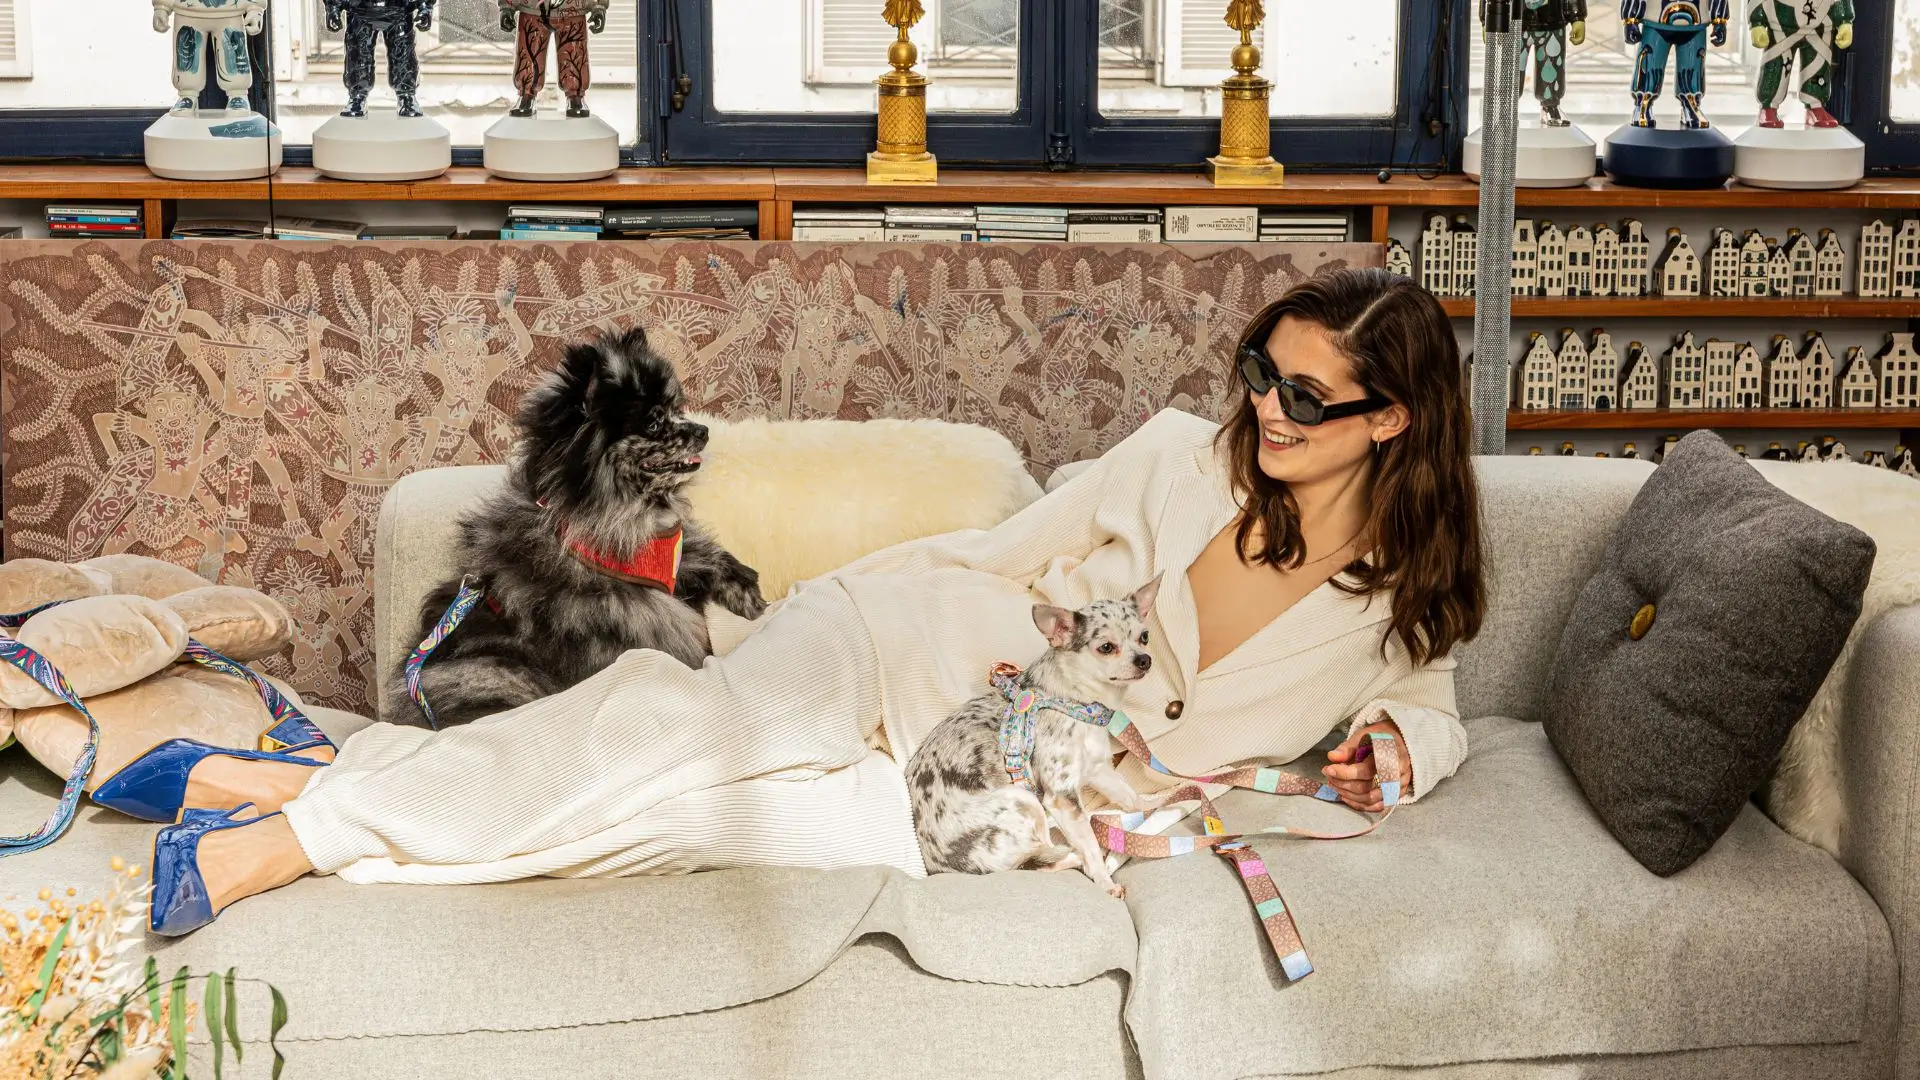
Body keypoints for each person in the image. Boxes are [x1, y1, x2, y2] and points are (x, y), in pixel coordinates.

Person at [139, 267, 1485, 935]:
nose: (1266, 407)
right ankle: (284, 841)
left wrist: (1401, 750)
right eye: (1261, 371)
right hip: (905, 654)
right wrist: (818, 613)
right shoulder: (1176, 459)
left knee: (667, 826)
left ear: (1392, 420)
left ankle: (292, 781)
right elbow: (995, 557)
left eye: (1306, 396)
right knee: (665, 734)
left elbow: (1431, 699)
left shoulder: (1399, 603)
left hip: (972, 797)